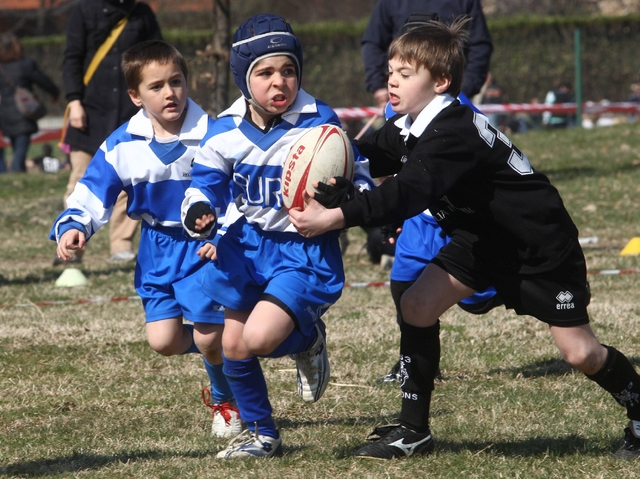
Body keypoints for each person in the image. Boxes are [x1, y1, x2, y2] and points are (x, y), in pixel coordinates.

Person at [290, 17, 640, 460]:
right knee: (416, 306)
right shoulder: (410, 125)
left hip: (537, 248)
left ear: (440, 81)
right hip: (481, 240)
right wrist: (323, 151)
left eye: (405, 73)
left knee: (581, 354)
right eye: (391, 71)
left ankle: (639, 408)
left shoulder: (451, 133)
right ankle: (413, 431)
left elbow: (403, 195)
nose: (391, 81)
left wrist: (335, 218)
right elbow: (369, 152)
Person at [182, 14, 374, 460]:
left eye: (288, 70)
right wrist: (199, 210)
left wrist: (350, 192)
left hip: (302, 249)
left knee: (259, 338)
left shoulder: (319, 120)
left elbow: (360, 174)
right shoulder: (224, 130)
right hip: (247, 245)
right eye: (265, 73)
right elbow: (202, 185)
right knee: (231, 343)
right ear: (244, 79)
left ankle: (308, 339)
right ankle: (263, 435)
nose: (279, 81)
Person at [50, 40, 241, 439]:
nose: (170, 92)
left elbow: (241, 190)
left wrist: (222, 230)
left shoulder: (215, 134)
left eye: (176, 81)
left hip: (204, 246)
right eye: (156, 87)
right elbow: (93, 189)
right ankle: (240, 348)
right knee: (164, 340)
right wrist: (74, 224)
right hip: (155, 249)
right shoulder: (122, 144)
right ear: (136, 96)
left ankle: (227, 400)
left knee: (207, 336)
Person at [57, 0, 162, 265]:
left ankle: (121, 245)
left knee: (129, 183)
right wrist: (74, 101)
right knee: (80, 180)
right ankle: (72, 245)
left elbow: (156, 57)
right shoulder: (83, 10)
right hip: (90, 111)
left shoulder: (142, 13)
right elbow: (72, 58)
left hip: (129, 111)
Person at [361, 1, 492, 111]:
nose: (392, 81)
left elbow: (479, 46)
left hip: (452, 100)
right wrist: (378, 86)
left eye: (405, 74)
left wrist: (462, 90)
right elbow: (373, 43)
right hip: (403, 103)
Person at [0, 33, 59, 173]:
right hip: (24, 111)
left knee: (16, 146)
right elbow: (43, 81)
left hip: (4, 113)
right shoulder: (26, 65)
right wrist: (55, 93)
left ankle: (12, 174)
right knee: (20, 150)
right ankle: (16, 173)